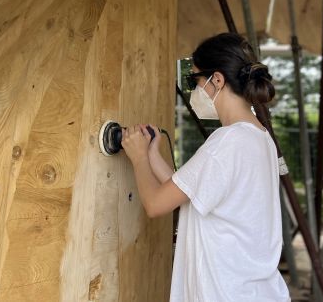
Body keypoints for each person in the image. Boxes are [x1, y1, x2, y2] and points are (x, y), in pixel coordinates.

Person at [121, 32, 291, 302]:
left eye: (195, 80)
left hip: (226, 293)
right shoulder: (259, 137)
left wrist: (139, 158)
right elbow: (190, 193)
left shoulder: (227, 142)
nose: (194, 90)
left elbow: (155, 204)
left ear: (217, 80)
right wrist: (152, 154)